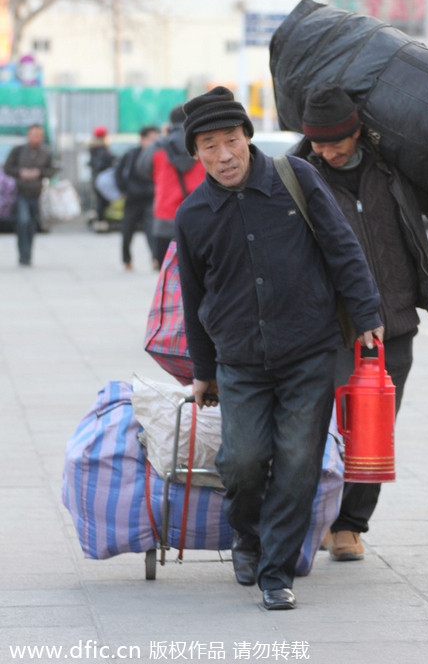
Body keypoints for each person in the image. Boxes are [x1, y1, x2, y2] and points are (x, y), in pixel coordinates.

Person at [174, 86, 384, 610]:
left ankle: (275, 571)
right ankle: (247, 536)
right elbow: (194, 298)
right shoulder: (193, 214)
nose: (224, 155)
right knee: (243, 462)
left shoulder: (297, 179)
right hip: (240, 361)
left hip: (308, 351)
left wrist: (366, 316)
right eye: (209, 146)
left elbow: (343, 248)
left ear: (247, 136)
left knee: (297, 463)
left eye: (231, 140)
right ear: (195, 154)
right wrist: (204, 370)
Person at [291, 83, 428, 562]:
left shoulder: (392, 168)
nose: (329, 151)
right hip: (334, 325)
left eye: (337, 141)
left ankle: (350, 525)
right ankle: (314, 516)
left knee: (376, 429)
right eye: (319, 142)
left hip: (394, 318)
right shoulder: (299, 178)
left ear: (357, 132)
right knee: (327, 428)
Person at [137, 105, 205, 268]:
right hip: (200, 215)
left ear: (170, 123)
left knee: (168, 272)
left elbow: (143, 168)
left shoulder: (157, 147)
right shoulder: (203, 144)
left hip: (165, 217)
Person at [4, 124, 54, 266]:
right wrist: (21, 172)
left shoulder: (45, 152)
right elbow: (8, 168)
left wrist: (39, 173)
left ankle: (28, 254)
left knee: (32, 225)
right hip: (20, 192)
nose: (36, 138)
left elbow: (50, 170)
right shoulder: (18, 150)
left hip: (37, 193)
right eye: (34, 135)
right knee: (23, 221)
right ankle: (23, 255)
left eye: (39, 136)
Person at [115, 125, 160, 271]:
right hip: (132, 198)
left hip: (150, 198)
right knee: (127, 231)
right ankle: (126, 260)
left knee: (151, 230)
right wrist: (124, 190)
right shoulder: (131, 154)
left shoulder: (156, 154)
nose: (153, 142)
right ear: (142, 139)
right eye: (151, 139)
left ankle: (155, 259)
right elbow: (118, 173)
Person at [88, 126, 115, 231]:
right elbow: (102, 164)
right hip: (102, 179)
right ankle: (101, 221)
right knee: (102, 201)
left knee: (100, 201)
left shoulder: (93, 148)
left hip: (96, 178)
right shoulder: (101, 150)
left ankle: (100, 220)